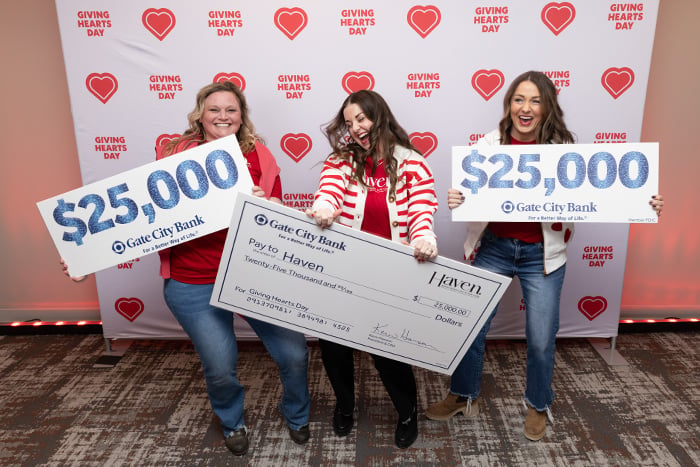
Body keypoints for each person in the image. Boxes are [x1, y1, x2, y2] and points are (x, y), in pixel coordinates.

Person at [424, 71, 664, 441]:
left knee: (540, 337)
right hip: (496, 249)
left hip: (542, 256)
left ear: (546, 107)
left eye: (535, 100)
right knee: (471, 326)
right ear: (509, 104)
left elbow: (601, 193)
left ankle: (538, 403)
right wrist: (459, 199)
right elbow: (474, 200)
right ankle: (462, 394)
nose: (526, 107)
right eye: (519, 99)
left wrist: (641, 200)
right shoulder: (488, 147)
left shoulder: (562, 151)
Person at [305, 90, 439, 449]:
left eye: (361, 119)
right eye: (349, 123)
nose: (356, 128)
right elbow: (329, 192)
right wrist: (324, 207)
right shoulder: (342, 161)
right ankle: (345, 407)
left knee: (388, 350)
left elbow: (421, 212)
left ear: (379, 115)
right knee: (333, 346)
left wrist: (424, 239)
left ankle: (407, 412)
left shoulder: (412, 162)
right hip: (344, 268)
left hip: (389, 274)